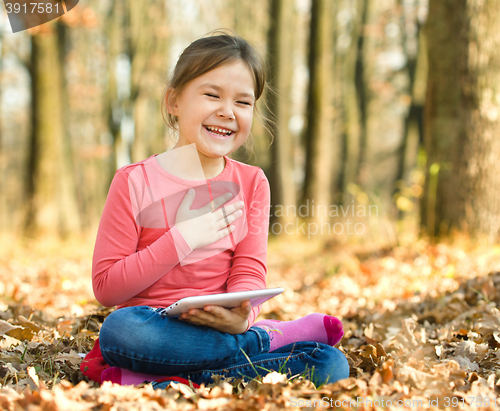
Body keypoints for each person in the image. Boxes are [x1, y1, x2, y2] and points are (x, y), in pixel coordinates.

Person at [84, 31, 349, 388]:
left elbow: (249, 267)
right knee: (120, 331)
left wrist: (244, 316)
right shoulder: (135, 180)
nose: (227, 111)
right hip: (152, 327)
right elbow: (106, 288)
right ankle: (264, 340)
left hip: (215, 328)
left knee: (330, 364)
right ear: (174, 101)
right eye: (212, 95)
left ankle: (154, 379)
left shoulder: (252, 182)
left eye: (243, 102)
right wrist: (182, 238)